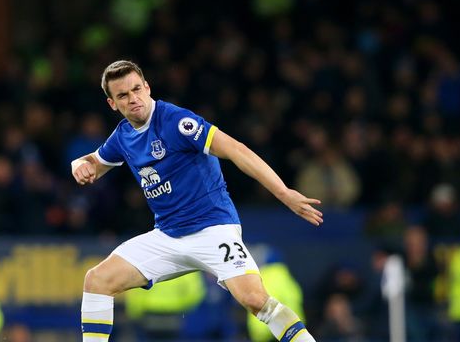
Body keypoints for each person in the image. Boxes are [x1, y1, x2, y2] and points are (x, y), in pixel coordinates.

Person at [71, 60, 322, 342]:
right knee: (97, 280)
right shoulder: (123, 136)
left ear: (147, 87)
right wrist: (79, 163)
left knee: (254, 299)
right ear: (112, 103)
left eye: (137, 89)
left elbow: (236, 150)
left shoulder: (177, 122)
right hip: (168, 235)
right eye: (123, 96)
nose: (133, 99)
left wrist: (284, 193)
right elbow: (95, 161)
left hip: (212, 228)